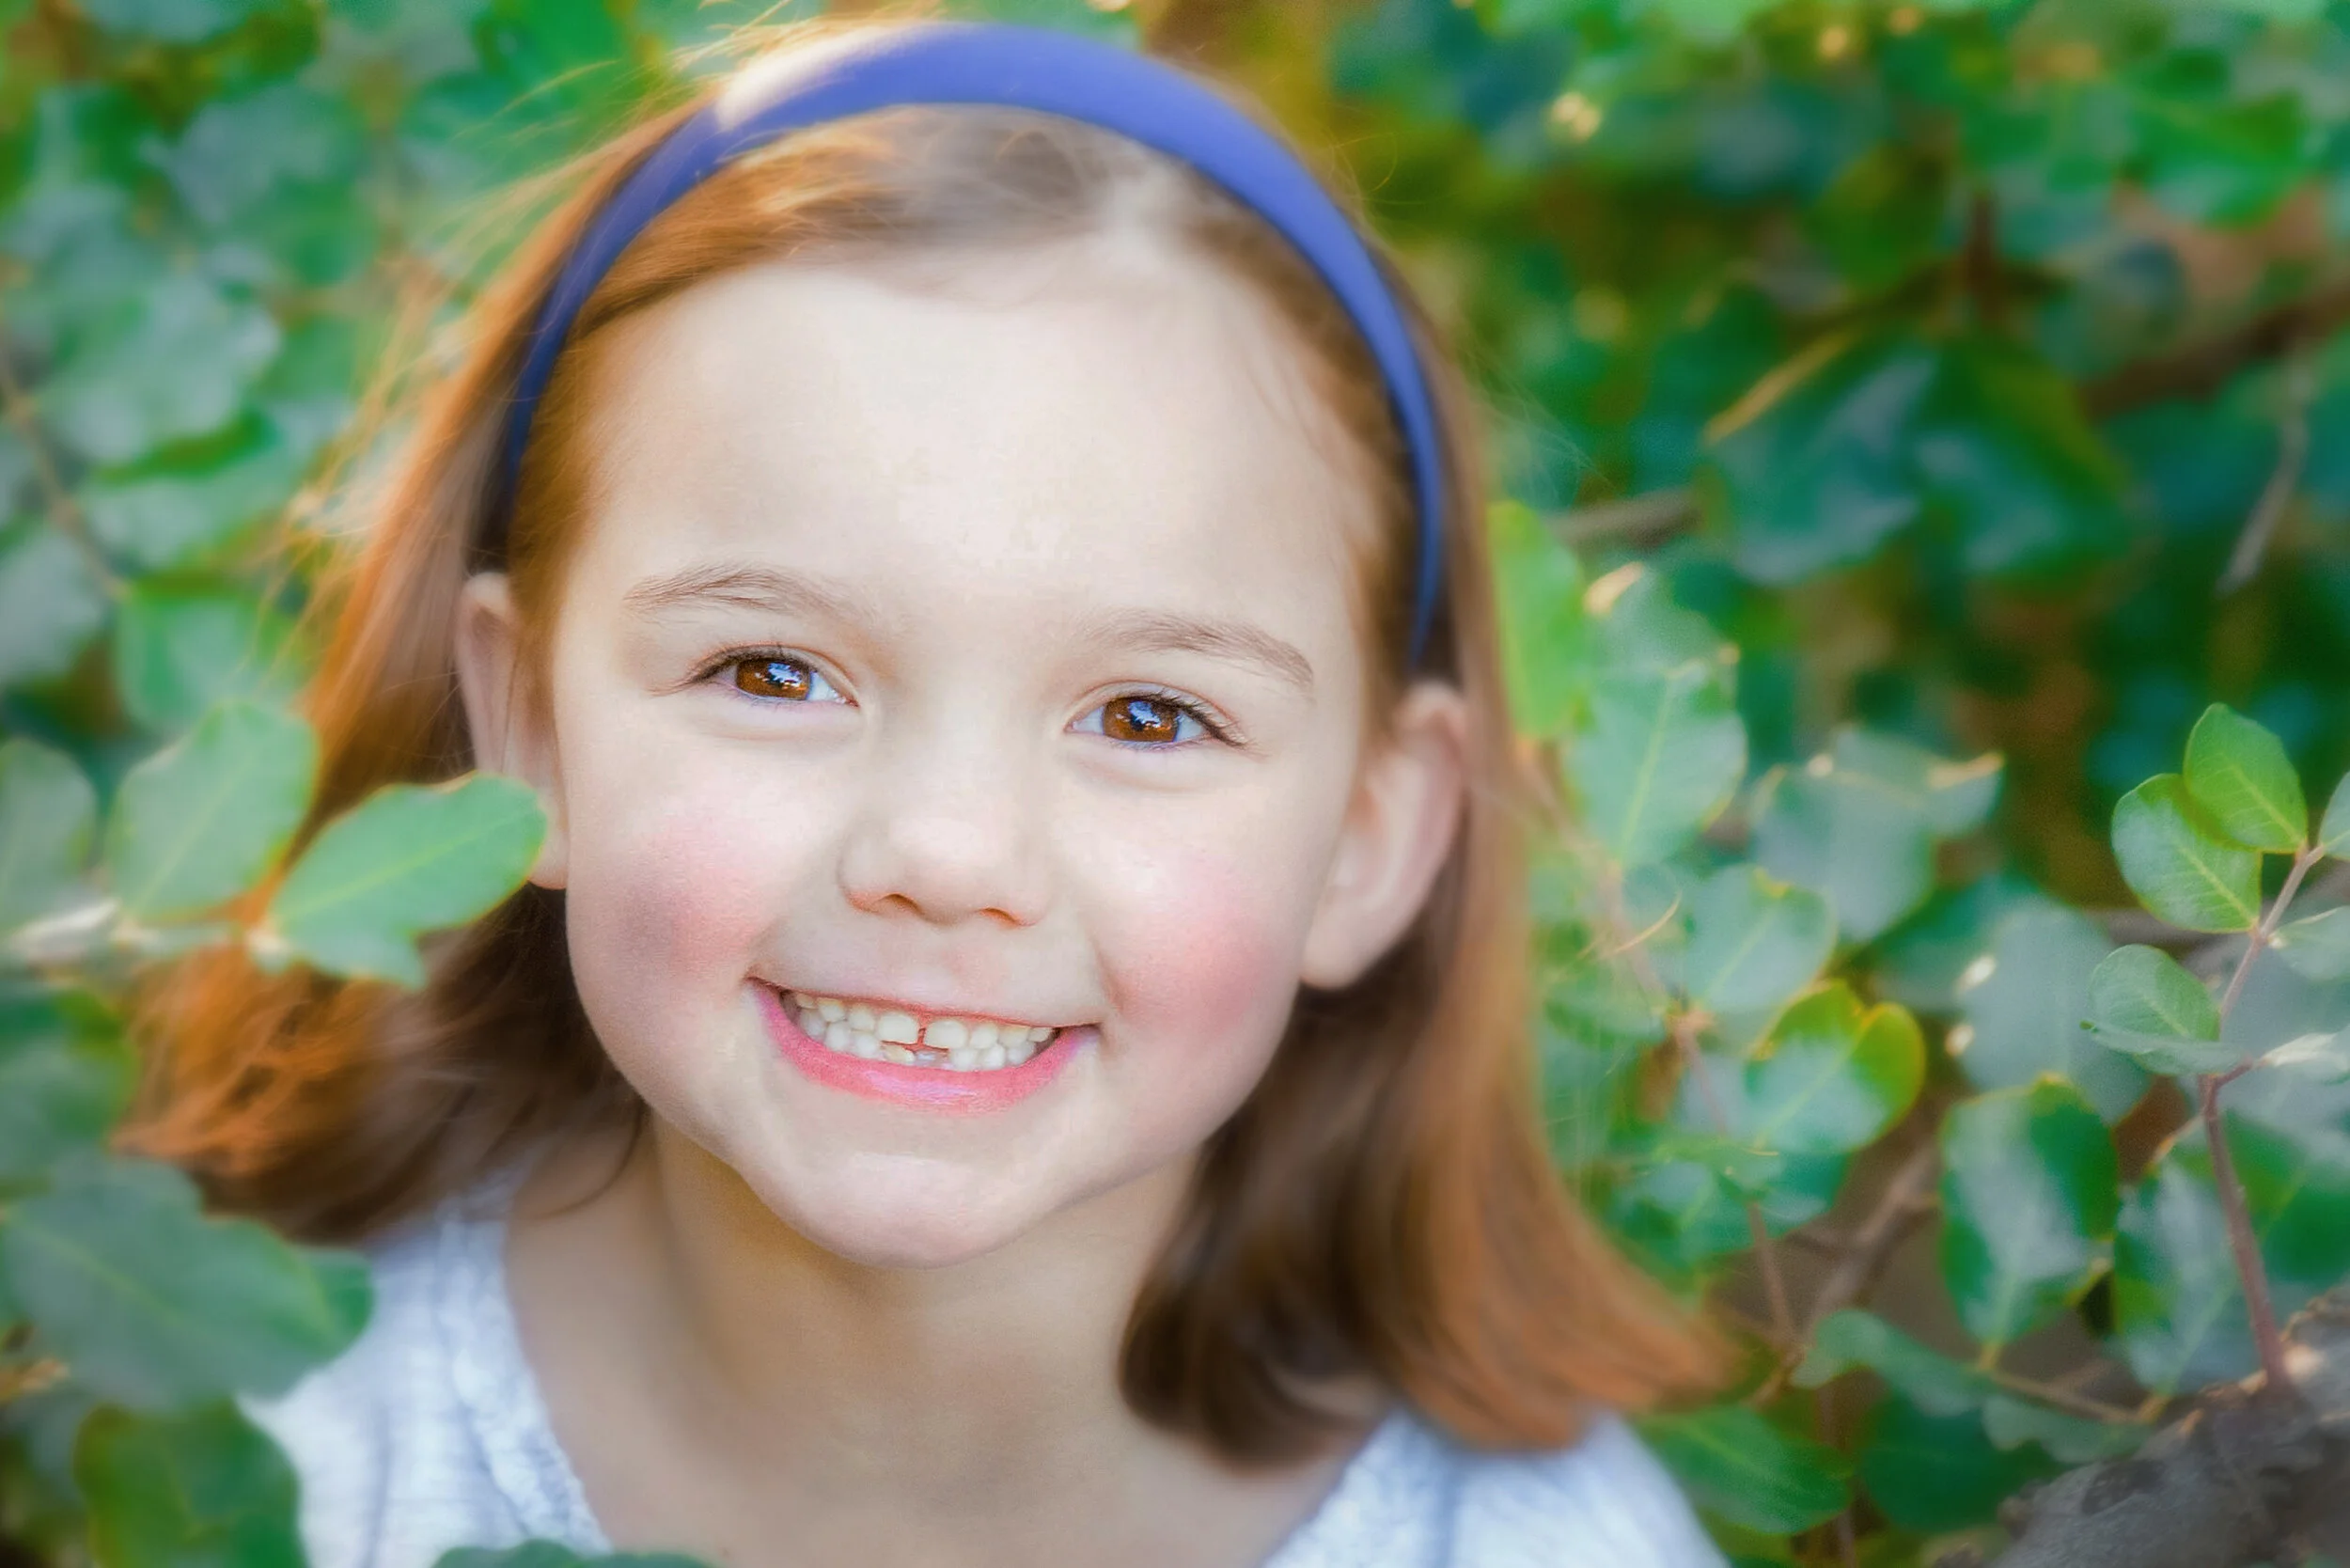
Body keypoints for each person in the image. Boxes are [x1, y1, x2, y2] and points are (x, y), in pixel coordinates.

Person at [133, 16, 1727, 1567]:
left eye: (1152, 715)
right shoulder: (237, 1446)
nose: (947, 855)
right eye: (773, 674)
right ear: (528, 723)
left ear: (1370, 841)